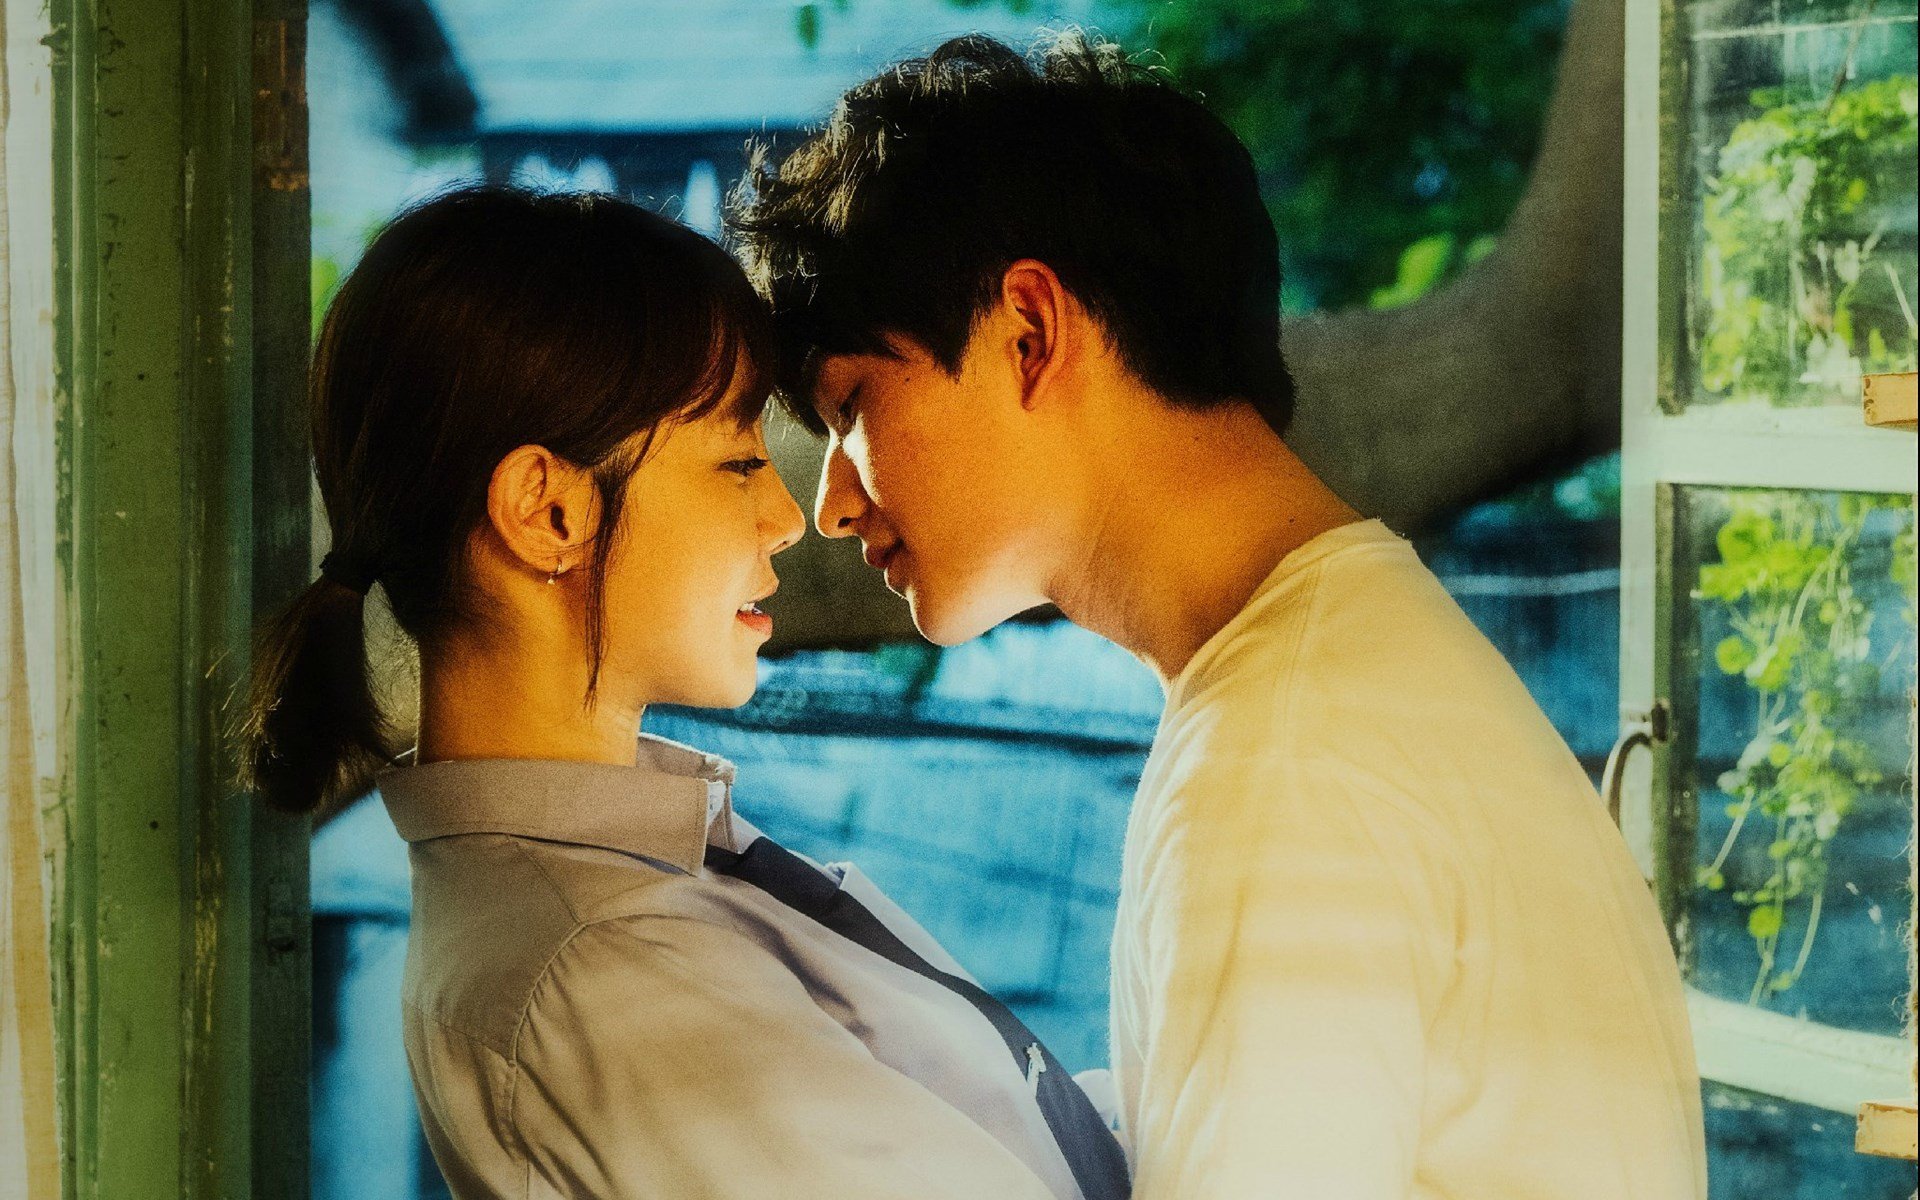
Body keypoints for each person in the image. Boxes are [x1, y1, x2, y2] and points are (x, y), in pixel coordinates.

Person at [731, 31, 1708, 1199]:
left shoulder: (1285, 762)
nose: (833, 503)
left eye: (851, 408)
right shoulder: (1343, 667)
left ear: (1028, 333)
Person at [238, 185, 1128, 1200]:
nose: (789, 516)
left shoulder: (608, 901)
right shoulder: (608, 970)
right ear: (549, 510)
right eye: (740, 460)